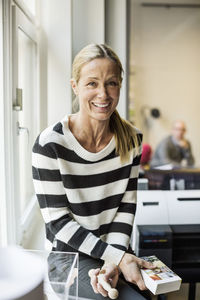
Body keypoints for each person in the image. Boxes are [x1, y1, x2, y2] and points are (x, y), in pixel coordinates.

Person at [32, 43, 154, 300]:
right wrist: (115, 257)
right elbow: (58, 223)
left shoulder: (131, 139)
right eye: (92, 83)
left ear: (120, 85)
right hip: (68, 259)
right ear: (75, 86)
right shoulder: (50, 144)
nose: (103, 94)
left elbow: (125, 207)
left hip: (115, 249)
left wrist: (115, 259)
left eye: (111, 83)